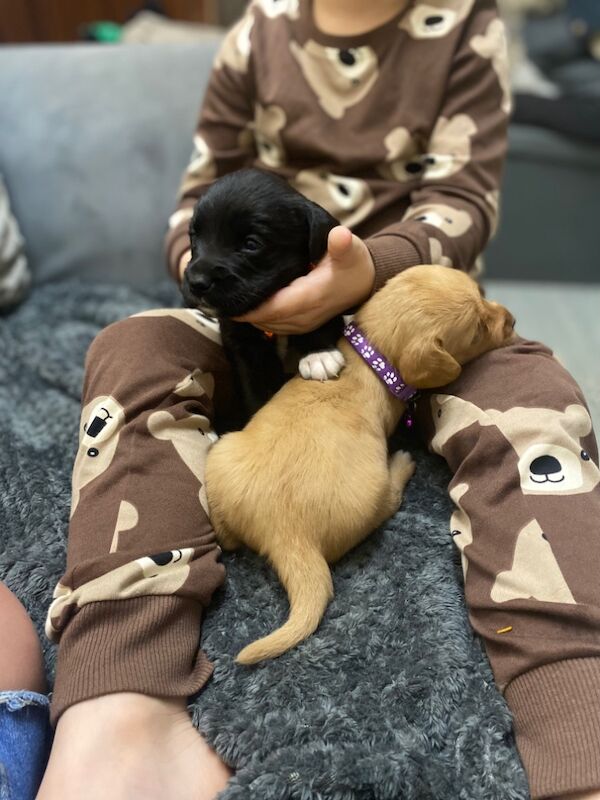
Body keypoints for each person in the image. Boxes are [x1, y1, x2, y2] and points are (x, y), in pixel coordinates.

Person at [36, 1, 600, 799]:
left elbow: (464, 204)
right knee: (134, 346)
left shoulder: (465, 28)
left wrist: (366, 269)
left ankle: (580, 728)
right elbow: (194, 205)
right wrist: (230, 288)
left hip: (421, 334)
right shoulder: (258, 30)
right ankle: (121, 698)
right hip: (253, 327)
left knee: (536, 393)